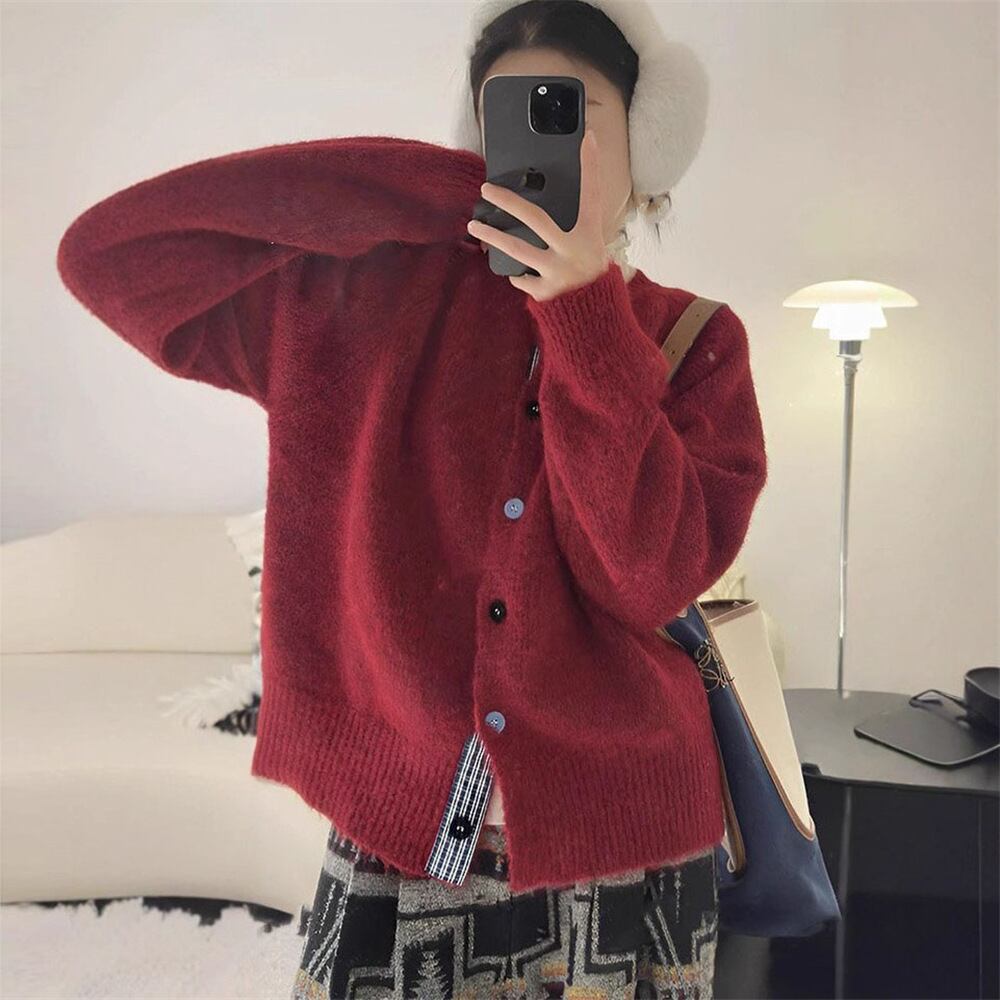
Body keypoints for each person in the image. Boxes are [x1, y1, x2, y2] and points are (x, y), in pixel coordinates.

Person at [56, 1, 767, 997]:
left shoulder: (695, 341)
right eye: (509, 120)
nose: (536, 148)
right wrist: (427, 186)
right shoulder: (364, 305)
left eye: (570, 114)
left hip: (624, 843)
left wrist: (585, 317)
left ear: (646, 142)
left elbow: (646, 577)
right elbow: (110, 256)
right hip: (403, 828)